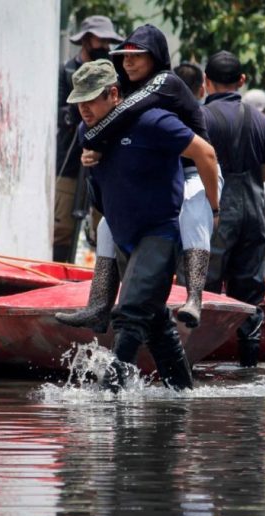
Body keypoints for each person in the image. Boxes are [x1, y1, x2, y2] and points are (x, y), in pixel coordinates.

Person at [64, 59, 219, 390]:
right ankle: (183, 393)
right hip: (124, 237)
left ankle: (109, 396)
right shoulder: (87, 133)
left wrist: (214, 208)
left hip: (160, 234)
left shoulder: (153, 122)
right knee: (156, 322)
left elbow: (205, 153)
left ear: (114, 93)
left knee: (131, 313)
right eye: (79, 102)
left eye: (91, 99)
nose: (84, 109)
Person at [201, 50, 265, 368]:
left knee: (203, 286)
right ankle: (249, 366)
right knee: (249, 290)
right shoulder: (261, 120)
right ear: (242, 81)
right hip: (254, 211)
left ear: (206, 82)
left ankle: (197, 363)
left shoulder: (200, 117)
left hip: (217, 210)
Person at [54, 15, 123, 262]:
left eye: (108, 41)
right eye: (100, 40)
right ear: (85, 40)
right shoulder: (67, 70)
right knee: (61, 226)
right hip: (70, 158)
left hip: (104, 158)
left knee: (103, 226)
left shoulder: (113, 72)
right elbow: (60, 111)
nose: (105, 46)